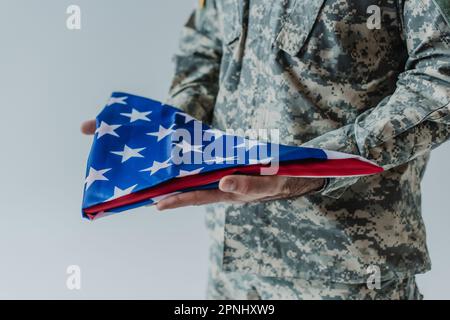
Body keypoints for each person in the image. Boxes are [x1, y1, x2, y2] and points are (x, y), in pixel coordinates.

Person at [81, 0, 450, 299]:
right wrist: (170, 130)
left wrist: (313, 168)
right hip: (232, 259)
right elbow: (207, 42)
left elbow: (440, 82)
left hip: (348, 268)